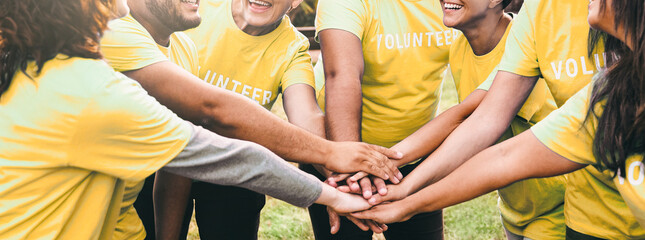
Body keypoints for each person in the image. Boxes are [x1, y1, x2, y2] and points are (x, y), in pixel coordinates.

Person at [0, 0, 390, 239]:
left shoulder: (41, 62)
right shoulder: (98, 82)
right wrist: (333, 186)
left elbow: (180, 153)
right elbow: (214, 125)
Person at [352, 0, 645, 239]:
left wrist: (398, 186)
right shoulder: (603, 96)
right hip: (586, 218)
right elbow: (500, 149)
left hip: (555, 212)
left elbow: (469, 119)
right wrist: (403, 196)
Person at [336, 0, 563, 239]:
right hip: (517, 210)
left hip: (557, 208)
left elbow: (464, 116)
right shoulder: (460, 48)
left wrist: (393, 179)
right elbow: (462, 126)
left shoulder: (522, 43)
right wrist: (376, 167)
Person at [156, 0, 329, 238]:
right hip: (161, 156)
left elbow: (306, 115)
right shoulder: (196, 9)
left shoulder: (293, 48)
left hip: (232, 169)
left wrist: (340, 177)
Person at [302, 0, 459, 238]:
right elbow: (343, 75)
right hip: (337, 157)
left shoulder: (451, 4)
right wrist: (348, 175)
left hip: (413, 157)